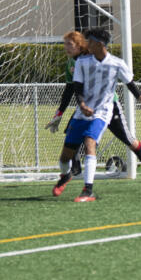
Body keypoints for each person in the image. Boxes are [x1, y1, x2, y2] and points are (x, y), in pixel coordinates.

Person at [52, 28, 141, 202]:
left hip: (105, 110)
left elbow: (130, 83)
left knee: (114, 140)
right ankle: (68, 173)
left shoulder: (116, 63)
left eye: (70, 44)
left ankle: (89, 189)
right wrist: (69, 109)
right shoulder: (78, 63)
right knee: (66, 152)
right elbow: (74, 88)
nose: (67, 48)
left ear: (98, 44)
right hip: (82, 109)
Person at [45, 31, 91, 176]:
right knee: (71, 133)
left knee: (125, 137)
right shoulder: (71, 62)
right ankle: (76, 169)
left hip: (104, 104)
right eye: (65, 44)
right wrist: (59, 113)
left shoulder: (89, 59)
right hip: (84, 105)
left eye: (69, 44)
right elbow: (69, 90)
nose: (66, 47)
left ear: (79, 45)